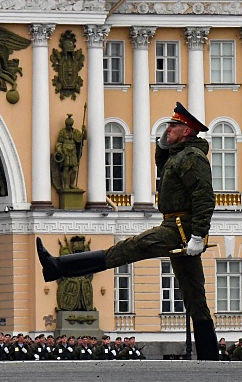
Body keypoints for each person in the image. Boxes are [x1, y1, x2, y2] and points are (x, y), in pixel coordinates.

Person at [36, 102, 218, 359]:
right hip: (175, 226)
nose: (169, 129)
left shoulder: (192, 158)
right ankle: (211, 358)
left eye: (174, 126)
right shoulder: (179, 155)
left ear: (187, 131)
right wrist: (164, 144)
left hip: (179, 229)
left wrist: (198, 235)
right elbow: (163, 165)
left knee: (129, 248)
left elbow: (204, 198)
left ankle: (57, 266)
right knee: (195, 297)